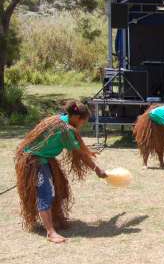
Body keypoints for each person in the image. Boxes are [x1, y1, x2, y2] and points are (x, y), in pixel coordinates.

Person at [15, 100, 107, 243]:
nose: (83, 125)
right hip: (35, 161)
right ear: (77, 118)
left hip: (43, 159)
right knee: (46, 193)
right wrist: (97, 170)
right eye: (84, 122)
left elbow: (80, 148)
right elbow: (80, 154)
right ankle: (50, 232)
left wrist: (87, 151)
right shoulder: (65, 131)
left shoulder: (60, 119)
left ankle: (55, 220)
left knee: (58, 189)